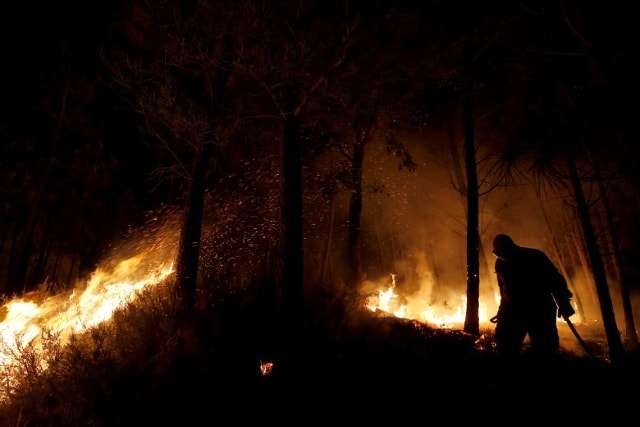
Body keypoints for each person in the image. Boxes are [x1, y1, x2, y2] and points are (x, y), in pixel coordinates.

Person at [491, 233, 575, 363]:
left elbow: (555, 280)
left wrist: (564, 302)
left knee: (545, 350)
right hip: (514, 311)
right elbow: (504, 291)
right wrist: (501, 313)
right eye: (497, 253)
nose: (500, 256)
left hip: (539, 310)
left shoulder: (535, 256)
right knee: (505, 347)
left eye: (502, 252)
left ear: (511, 247)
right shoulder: (500, 264)